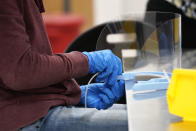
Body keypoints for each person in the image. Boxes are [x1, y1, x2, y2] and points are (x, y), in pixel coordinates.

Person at [0, 0, 127, 131]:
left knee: (138, 113)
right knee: (142, 123)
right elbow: (20, 70)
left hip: (30, 106)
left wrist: (70, 95)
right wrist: (87, 61)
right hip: (20, 120)